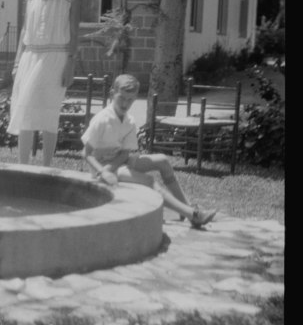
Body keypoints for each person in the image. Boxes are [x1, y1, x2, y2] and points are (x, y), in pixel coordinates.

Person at [81, 74, 218, 229]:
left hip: (118, 162)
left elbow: (125, 153)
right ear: (112, 94)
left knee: (163, 160)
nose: (125, 103)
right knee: (149, 181)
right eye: (122, 98)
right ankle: (192, 215)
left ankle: (187, 208)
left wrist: (112, 167)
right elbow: (86, 153)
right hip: (101, 167)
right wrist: (104, 171)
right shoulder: (102, 120)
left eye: (130, 99)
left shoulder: (129, 120)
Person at [7, 0, 80, 166]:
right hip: (30, 56)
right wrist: (17, 61)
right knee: (25, 109)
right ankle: (23, 165)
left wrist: (70, 64)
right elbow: (24, 29)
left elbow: (75, 32)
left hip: (56, 58)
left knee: (49, 111)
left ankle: (47, 165)